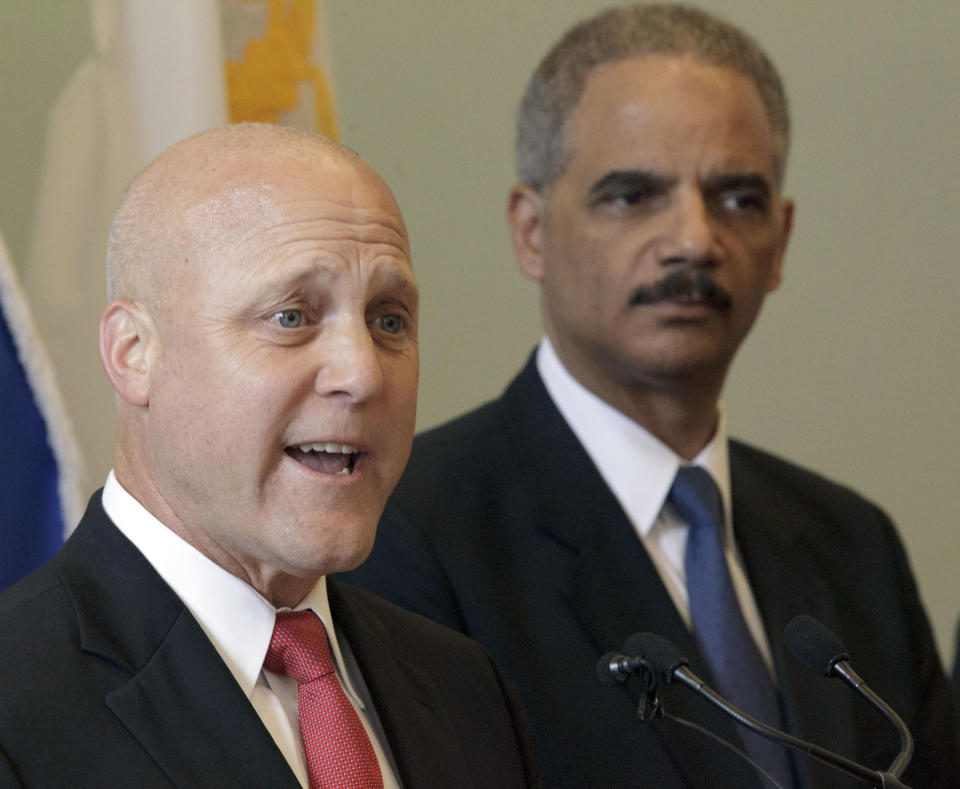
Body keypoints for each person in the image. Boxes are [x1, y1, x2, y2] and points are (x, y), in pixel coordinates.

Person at [340, 4, 957, 788]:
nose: (695, 240)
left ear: (782, 241)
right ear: (531, 232)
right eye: (633, 197)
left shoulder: (853, 544)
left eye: (737, 198)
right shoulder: (407, 530)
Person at [0, 125, 539, 788]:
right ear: (134, 353)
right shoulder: (18, 707)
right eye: (292, 316)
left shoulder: (466, 689)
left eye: (389, 320)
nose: (363, 373)